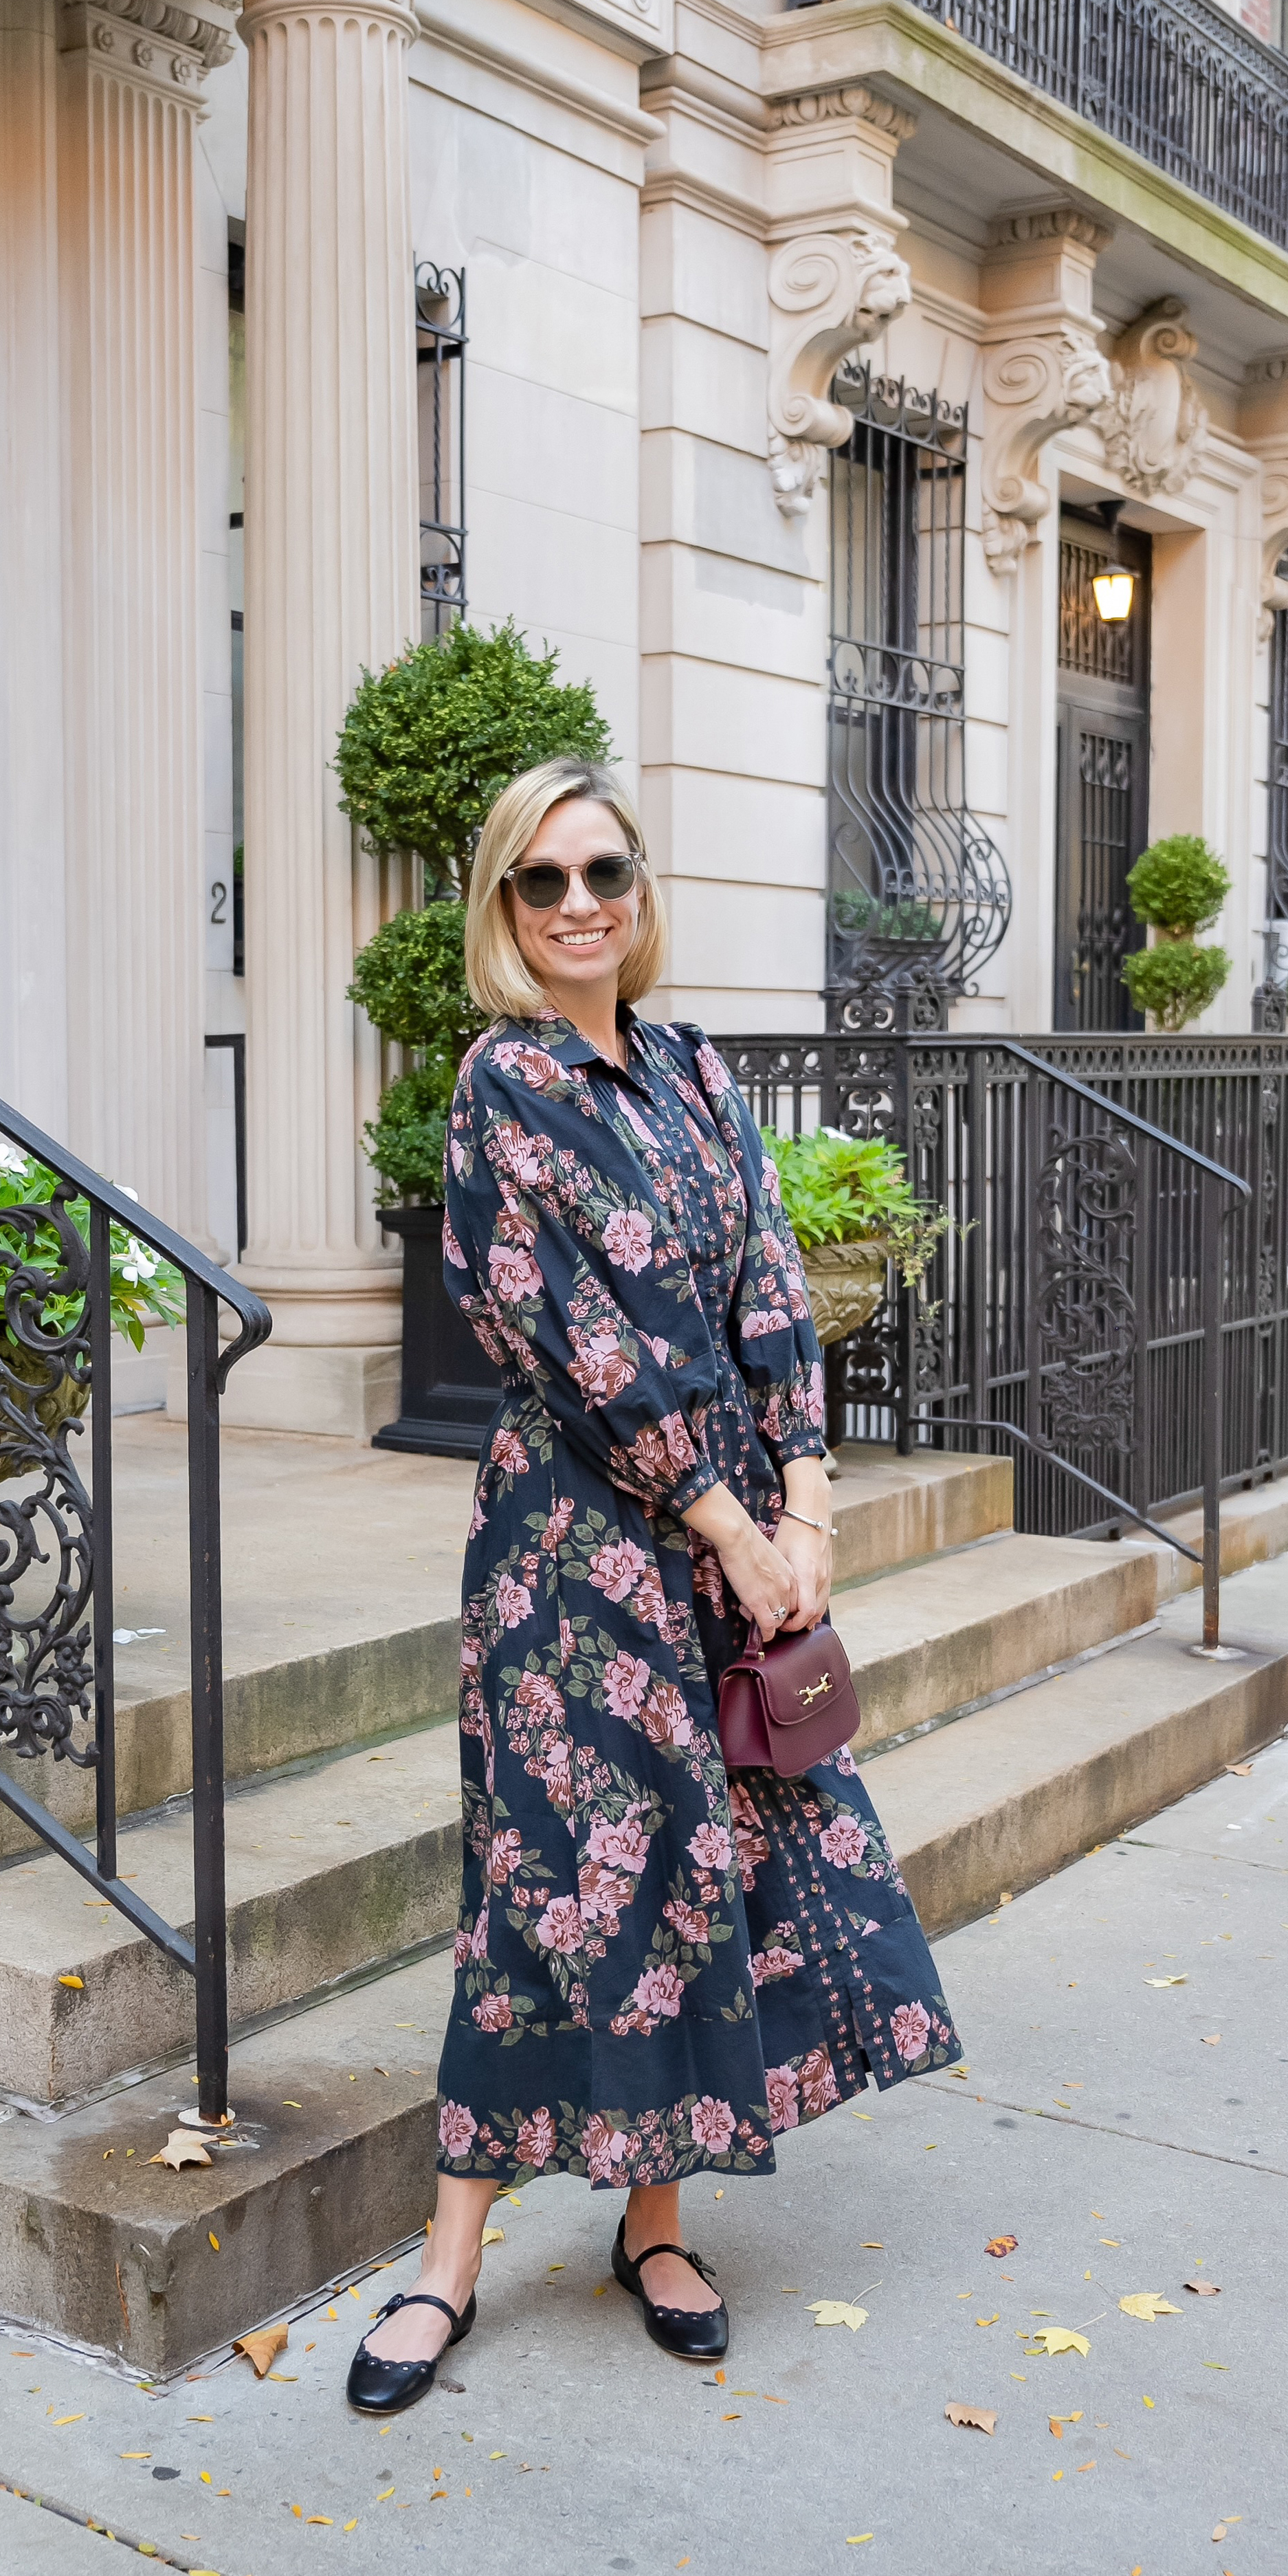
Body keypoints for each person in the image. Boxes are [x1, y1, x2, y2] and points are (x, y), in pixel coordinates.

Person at [346, 757, 962, 2415]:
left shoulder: (690, 1068)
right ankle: (449, 2260)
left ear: (638, 888)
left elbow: (768, 1281)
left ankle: (656, 2224)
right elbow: (581, 1344)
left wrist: (811, 1504)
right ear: (498, 909)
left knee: (702, 1876)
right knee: (547, 1885)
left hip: (738, 1539)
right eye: (537, 883)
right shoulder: (502, 1084)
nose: (574, 907)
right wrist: (730, 1522)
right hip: (579, 1559)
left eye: (600, 872)